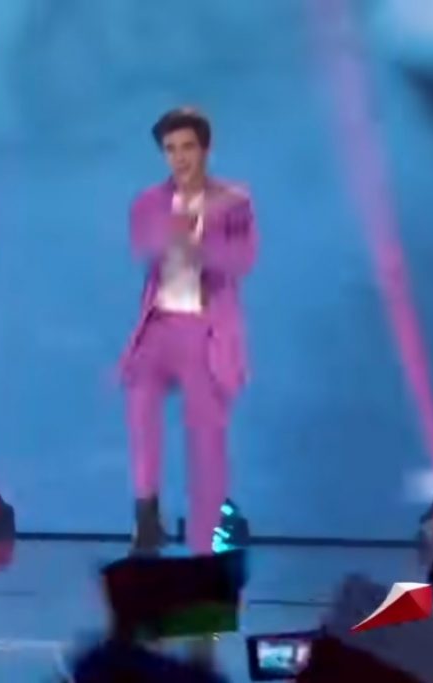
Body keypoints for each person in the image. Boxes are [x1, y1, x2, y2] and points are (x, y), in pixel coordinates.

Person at [118, 107, 257, 556]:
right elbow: (141, 243)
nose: (179, 158)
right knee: (140, 405)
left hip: (205, 328)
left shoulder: (234, 202)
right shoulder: (149, 202)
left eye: (187, 148)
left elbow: (242, 260)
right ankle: (147, 515)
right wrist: (170, 233)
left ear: (205, 149)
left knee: (206, 438)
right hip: (159, 324)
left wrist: (201, 246)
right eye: (170, 149)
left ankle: (202, 544)